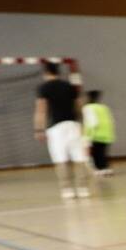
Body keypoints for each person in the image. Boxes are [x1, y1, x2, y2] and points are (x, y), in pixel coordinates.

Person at [33, 60, 92, 199]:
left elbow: (41, 110)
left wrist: (39, 129)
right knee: (79, 157)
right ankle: (83, 189)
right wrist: (82, 125)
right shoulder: (70, 87)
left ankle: (67, 190)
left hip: (56, 128)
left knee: (60, 159)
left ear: (46, 72)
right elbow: (79, 106)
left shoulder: (43, 88)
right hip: (74, 125)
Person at [83, 89, 116, 176]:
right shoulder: (104, 107)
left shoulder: (88, 108)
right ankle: (106, 168)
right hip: (107, 134)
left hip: (95, 134)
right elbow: (111, 120)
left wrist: (87, 135)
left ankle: (100, 169)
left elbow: (92, 122)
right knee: (103, 153)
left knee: (96, 154)